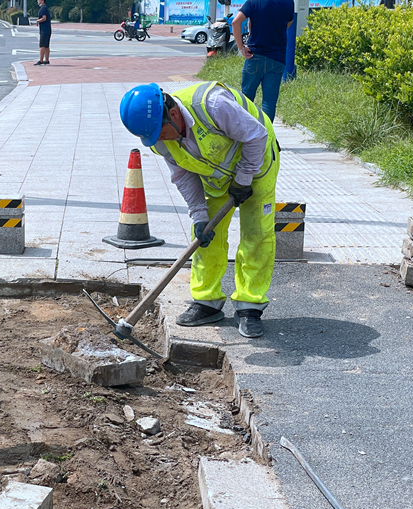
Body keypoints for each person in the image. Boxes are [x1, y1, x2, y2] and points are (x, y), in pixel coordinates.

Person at [120, 81, 280, 338]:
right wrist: (199, 214)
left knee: (256, 233)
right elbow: (183, 175)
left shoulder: (213, 105)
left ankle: (250, 306)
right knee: (206, 235)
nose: (157, 140)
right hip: (216, 175)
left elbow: (256, 135)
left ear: (172, 115)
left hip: (257, 162)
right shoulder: (159, 140)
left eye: (159, 133)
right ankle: (207, 302)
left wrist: (244, 178)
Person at [231, 0, 294, 122]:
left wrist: (241, 48)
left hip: (254, 57)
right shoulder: (288, 2)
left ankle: (244, 134)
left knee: (246, 100)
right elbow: (288, 23)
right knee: (269, 103)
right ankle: (265, 137)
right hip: (277, 59)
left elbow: (235, 22)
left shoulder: (254, 1)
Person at [35, 0, 51, 66]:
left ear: (42, 1)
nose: (37, 1)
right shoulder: (45, 8)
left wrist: (38, 21)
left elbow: (44, 18)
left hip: (44, 30)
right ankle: (46, 60)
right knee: (46, 46)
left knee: (42, 45)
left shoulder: (43, 9)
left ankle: (41, 60)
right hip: (47, 30)